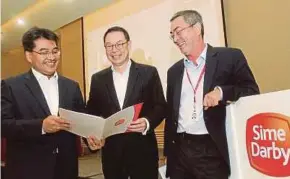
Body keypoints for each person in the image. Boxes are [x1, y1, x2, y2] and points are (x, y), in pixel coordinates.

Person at [165, 10, 260, 179]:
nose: (175, 39)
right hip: (179, 151)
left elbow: (251, 91)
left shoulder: (229, 57)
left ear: (197, 28)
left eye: (178, 32)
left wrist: (222, 93)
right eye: (172, 35)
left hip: (211, 149)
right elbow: (171, 113)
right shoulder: (174, 71)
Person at [1, 27, 87, 179]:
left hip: (65, 169)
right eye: (44, 52)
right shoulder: (10, 86)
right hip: (28, 170)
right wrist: (41, 126)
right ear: (29, 55)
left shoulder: (71, 86)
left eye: (55, 51)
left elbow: (82, 120)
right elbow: (3, 125)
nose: (51, 57)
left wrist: (91, 138)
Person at [86, 26, 166, 179]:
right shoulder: (98, 79)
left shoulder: (149, 73)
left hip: (143, 152)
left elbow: (160, 106)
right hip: (112, 154)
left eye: (119, 44)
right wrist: (92, 136)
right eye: (109, 46)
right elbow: (92, 112)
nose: (114, 49)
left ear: (129, 45)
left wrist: (147, 122)